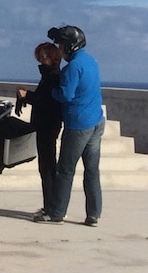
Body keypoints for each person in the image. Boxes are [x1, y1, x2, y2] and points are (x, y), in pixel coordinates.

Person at [33, 25, 104, 227]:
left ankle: (56, 213)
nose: (60, 49)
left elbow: (66, 95)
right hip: (97, 120)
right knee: (92, 170)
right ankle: (93, 214)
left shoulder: (72, 67)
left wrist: (50, 93)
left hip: (78, 123)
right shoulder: (91, 61)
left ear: (71, 46)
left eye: (62, 44)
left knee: (65, 170)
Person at [16, 42, 63, 217]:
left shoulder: (53, 75)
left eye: (45, 56)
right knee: (46, 165)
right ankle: (50, 205)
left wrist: (27, 96)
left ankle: (52, 207)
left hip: (48, 125)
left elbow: (48, 102)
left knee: (48, 166)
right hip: (45, 124)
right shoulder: (49, 75)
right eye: (40, 56)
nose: (42, 59)